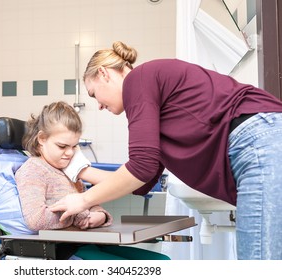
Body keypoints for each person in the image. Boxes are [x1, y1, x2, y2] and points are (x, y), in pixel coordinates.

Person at [50, 42, 282, 260]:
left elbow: (140, 167)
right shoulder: (154, 99)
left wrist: (82, 199)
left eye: (93, 94)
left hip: (260, 141)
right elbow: (141, 180)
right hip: (264, 144)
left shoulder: (138, 79)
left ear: (103, 73)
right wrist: (79, 169)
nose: (98, 105)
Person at [15, 101, 170, 260]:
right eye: (62, 146)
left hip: (87, 242)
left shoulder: (68, 170)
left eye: (74, 146)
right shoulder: (32, 170)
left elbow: (90, 202)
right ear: (41, 138)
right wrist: (78, 215)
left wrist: (100, 216)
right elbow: (36, 220)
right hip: (66, 250)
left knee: (163, 261)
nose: (69, 153)